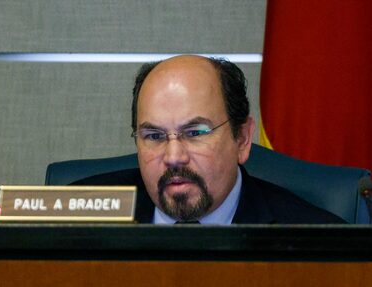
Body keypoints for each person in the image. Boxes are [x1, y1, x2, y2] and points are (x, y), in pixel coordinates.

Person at [73, 55, 345, 224]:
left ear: (242, 139)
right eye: (154, 136)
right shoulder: (76, 216)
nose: (174, 156)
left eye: (194, 133)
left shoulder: (317, 246)